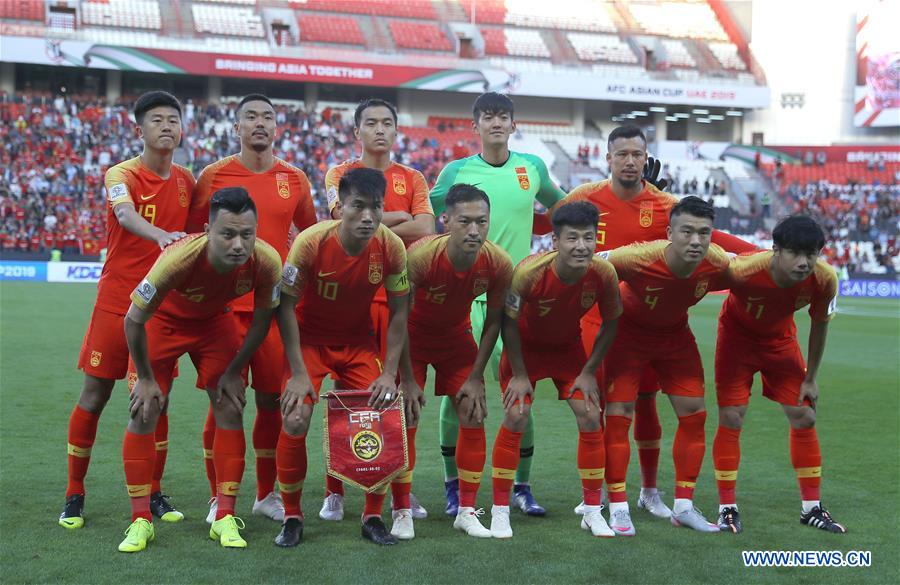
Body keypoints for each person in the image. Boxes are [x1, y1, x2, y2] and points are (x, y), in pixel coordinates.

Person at [560, 125, 756, 520]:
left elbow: (713, 236)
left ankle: (649, 492)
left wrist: (766, 253)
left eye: (637, 154)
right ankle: (595, 495)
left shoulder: (667, 204)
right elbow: (555, 227)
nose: (630, 161)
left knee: (645, 403)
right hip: (592, 318)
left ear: (645, 156)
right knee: (595, 409)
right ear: (608, 158)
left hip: (637, 319)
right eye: (622, 154)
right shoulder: (584, 198)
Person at [59, 91, 196, 530]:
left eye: (173, 119)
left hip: (161, 309)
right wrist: (159, 234)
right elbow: (124, 214)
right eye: (157, 120)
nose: (166, 126)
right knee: (94, 396)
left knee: (156, 402)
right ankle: (73, 493)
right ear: (139, 129)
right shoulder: (121, 173)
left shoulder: (187, 180)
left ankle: (153, 493)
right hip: (117, 303)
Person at [118, 187, 282, 552]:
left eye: (247, 234)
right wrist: (145, 379)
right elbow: (133, 321)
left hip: (213, 325)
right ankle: (140, 520)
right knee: (145, 410)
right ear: (208, 230)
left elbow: (261, 322)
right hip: (161, 323)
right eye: (227, 234)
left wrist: (233, 371)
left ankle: (224, 515)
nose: (239, 244)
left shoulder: (267, 261)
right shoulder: (177, 259)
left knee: (229, 404)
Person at [429, 92, 567, 517]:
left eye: (502, 117)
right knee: (457, 391)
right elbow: (433, 217)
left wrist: (540, 225)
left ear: (513, 124)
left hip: (515, 296)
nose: (495, 123)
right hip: (467, 297)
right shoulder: (455, 172)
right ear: (475, 125)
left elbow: (562, 209)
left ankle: (522, 487)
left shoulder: (532, 168)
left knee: (518, 391)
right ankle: (454, 486)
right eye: (487, 117)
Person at [191, 94, 317, 524]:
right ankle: (216, 497)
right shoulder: (213, 175)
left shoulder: (294, 178)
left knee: (269, 400)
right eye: (251, 117)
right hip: (223, 310)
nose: (260, 123)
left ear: (277, 127)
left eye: (268, 116)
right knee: (222, 399)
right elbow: (196, 239)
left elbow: (309, 239)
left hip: (274, 307)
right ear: (236, 127)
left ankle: (266, 495)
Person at [274, 167, 412, 547]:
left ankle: (371, 516)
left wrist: (391, 374)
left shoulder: (390, 246)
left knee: (381, 412)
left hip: (358, 343)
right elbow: (284, 307)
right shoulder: (310, 242)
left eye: (376, 208)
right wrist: (299, 374)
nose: (367, 217)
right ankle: (291, 516)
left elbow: (400, 311)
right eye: (358, 207)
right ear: (341, 207)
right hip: (309, 341)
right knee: (296, 415)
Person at [322, 98, 434, 522]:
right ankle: (335, 487)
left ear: (396, 130)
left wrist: (373, 218)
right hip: (351, 300)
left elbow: (426, 226)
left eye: (388, 123)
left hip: (399, 299)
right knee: (346, 392)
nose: (380, 130)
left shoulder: (413, 177)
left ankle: (401, 488)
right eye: (371, 123)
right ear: (357, 132)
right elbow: (340, 218)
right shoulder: (340, 174)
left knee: (402, 396)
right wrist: (398, 215)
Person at [490, 201, 621, 539]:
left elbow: (611, 321)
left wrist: (590, 370)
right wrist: (519, 375)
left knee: (591, 415)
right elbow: (509, 322)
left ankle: (592, 511)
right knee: (517, 415)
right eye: (573, 238)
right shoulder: (529, 273)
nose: (581, 246)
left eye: (589, 238)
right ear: (555, 241)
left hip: (568, 351)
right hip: (525, 352)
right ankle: (500, 510)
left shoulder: (603, 274)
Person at [601, 196, 730, 535]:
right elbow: (591, 266)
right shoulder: (638, 256)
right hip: (627, 337)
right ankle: (616, 507)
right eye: (687, 231)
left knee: (695, 415)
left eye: (704, 232)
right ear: (670, 232)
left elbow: (757, 271)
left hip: (675, 339)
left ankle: (684, 506)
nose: (696, 240)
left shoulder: (716, 262)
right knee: (617, 418)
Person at [713, 215, 845, 534]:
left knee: (805, 416)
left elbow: (819, 327)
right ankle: (727, 508)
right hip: (736, 341)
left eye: (811, 254)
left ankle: (811, 509)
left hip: (780, 343)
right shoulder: (743, 269)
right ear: (776, 250)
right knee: (732, 417)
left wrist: (811, 378)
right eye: (795, 253)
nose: (804, 262)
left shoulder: (825, 279)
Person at [404, 184, 514, 538]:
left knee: (473, 409)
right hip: (413, 338)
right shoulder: (420, 257)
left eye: (481, 222)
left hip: (456, 338)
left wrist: (476, 376)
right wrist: (405, 379)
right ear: (445, 220)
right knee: (403, 415)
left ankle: (466, 509)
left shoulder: (497, 262)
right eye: (464, 221)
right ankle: (400, 507)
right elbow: (396, 319)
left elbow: (495, 320)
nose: (474, 230)